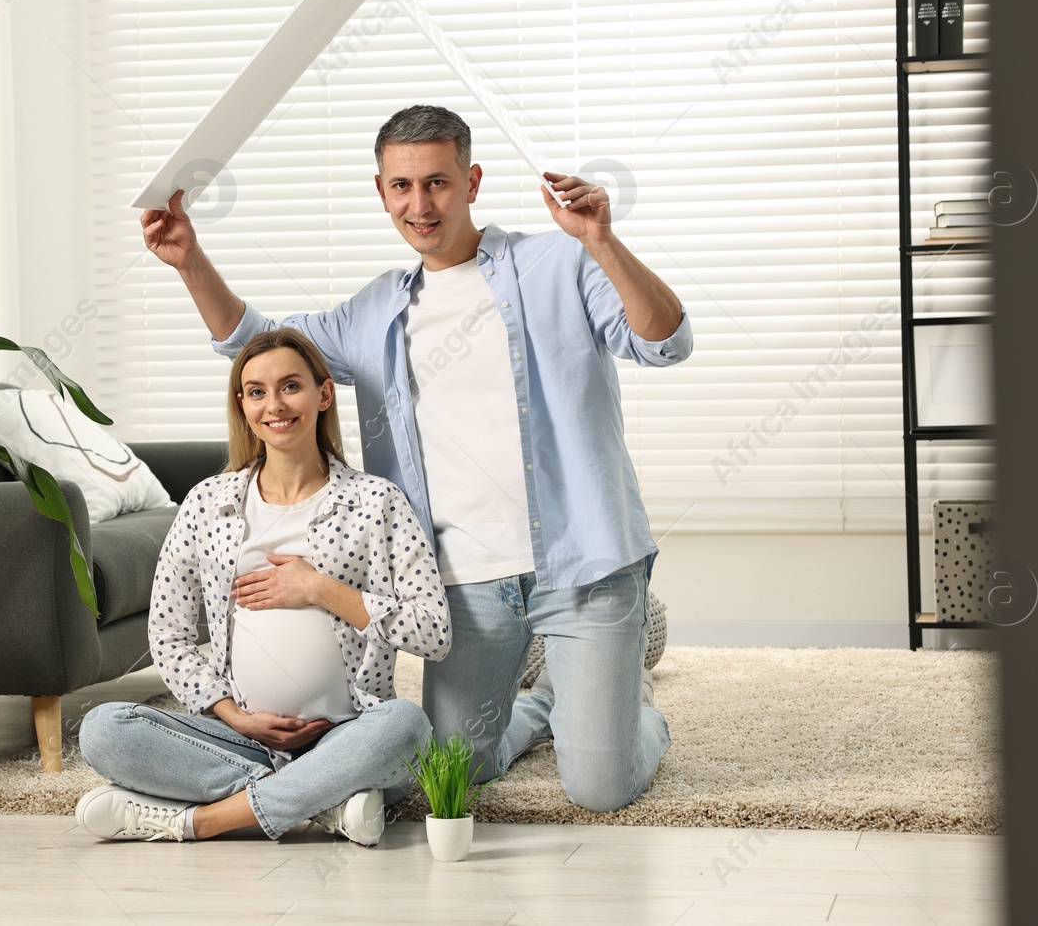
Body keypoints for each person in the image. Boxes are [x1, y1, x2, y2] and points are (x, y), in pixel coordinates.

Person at [141, 104, 692, 813]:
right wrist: (190, 261)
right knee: (448, 773)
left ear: (472, 180)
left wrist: (604, 241)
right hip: (465, 587)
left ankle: (629, 709)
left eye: (437, 182)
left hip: (582, 567)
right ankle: (553, 704)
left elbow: (665, 340)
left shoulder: (560, 260)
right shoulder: (374, 312)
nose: (419, 203)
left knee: (600, 787)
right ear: (381, 191)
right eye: (401, 186)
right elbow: (258, 344)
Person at [76, 328, 449, 844]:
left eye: (290, 386)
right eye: (256, 391)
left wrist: (319, 589)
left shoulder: (377, 502)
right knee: (103, 730)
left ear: (323, 394)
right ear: (242, 404)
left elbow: (434, 632)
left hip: (350, 733)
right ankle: (321, 802)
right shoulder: (208, 503)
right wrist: (234, 717)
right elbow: (168, 635)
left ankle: (202, 821)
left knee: (406, 726)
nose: (274, 405)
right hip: (240, 740)